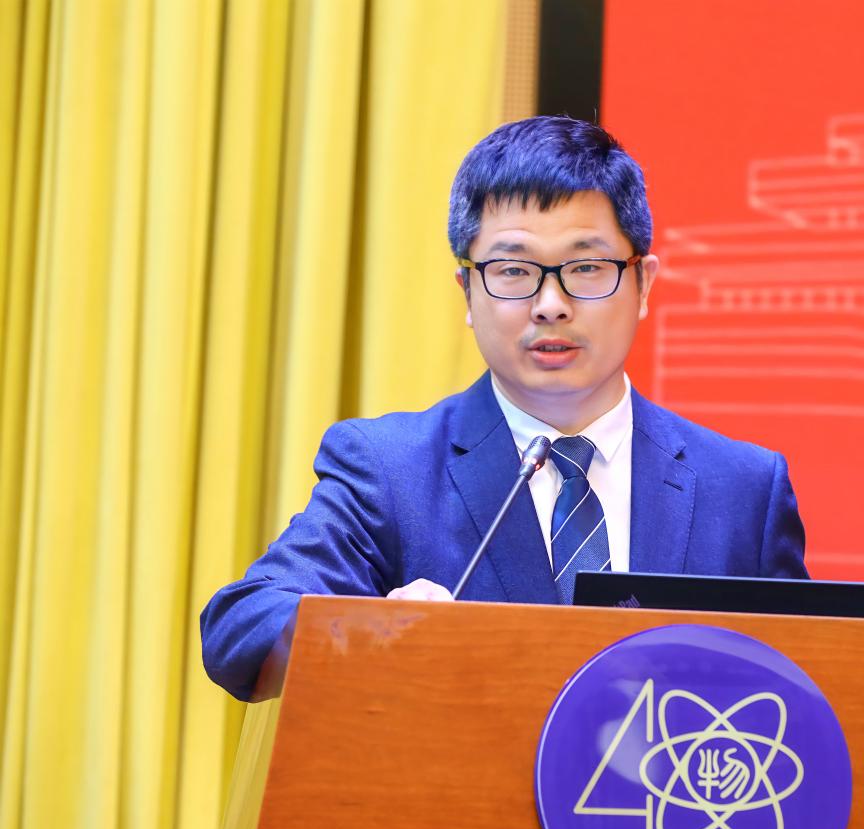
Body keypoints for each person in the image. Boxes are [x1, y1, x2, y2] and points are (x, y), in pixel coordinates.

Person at [200, 116, 807, 701]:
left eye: (586, 267)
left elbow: (811, 685)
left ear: (643, 283)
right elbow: (242, 624)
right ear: (467, 291)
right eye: (514, 271)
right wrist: (368, 632)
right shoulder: (389, 471)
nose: (550, 304)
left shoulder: (743, 489)